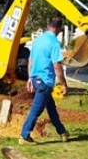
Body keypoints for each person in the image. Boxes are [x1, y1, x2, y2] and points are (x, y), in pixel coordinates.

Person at [19, 16, 69, 145]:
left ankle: (62, 132)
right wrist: (64, 84)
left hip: (36, 79)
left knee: (51, 108)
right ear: (59, 29)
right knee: (36, 110)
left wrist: (30, 78)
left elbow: (30, 60)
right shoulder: (54, 43)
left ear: (48, 26)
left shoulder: (38, 40)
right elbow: (57, 66)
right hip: (45, 82)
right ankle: (24, 135)